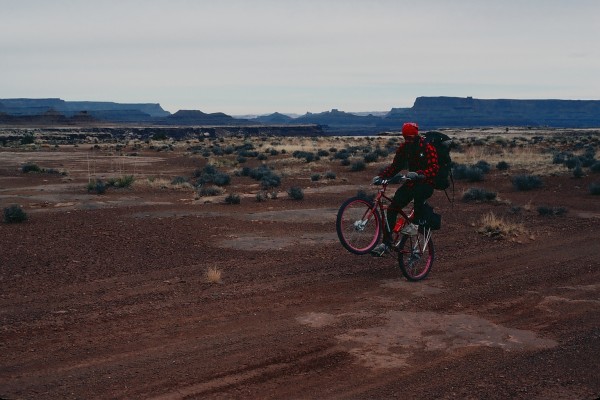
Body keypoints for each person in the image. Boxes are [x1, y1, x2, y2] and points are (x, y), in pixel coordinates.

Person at [371, 122, 439, 256]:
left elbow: (435, 168)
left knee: (419, 199)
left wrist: (419, 174)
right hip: (411, 183)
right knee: (392, 209)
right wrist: (381, 176)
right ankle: (386, 243)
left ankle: (414, 226)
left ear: (416, 135)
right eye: (405, 138)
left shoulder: (427, 147)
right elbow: (395, 166)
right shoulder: (404, 148)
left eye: (410, 138)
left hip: (426, 184)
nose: (408, 140)